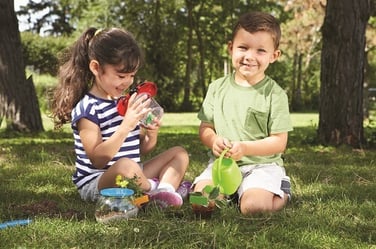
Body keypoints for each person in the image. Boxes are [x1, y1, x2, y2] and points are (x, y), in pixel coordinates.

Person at [51, 27, 189, 208]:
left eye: (132, 75)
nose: (128, 82)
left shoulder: (125, 102)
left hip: (133, 173)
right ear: (95, 67)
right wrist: (126, 126)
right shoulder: (88, 108)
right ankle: (156, 191)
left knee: (179, 153)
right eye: (121, 75)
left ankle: (165, 192)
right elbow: (98, 159)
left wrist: (151, 134)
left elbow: (141, 149)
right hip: (99, 182)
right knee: (125, 167)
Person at [192, 11, 293, 215]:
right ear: (231, 48)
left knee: (253, 208)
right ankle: (229, 193)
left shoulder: (275, 94)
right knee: (199, 202)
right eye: (243, 48)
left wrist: (245, 148)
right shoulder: (216, 88)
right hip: (223, 165)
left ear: (274, 56)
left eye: (260, 51)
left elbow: (279, 143)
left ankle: (281, 191)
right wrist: (213, 141)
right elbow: (205, 129)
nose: (250, 57)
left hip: (261, 167)